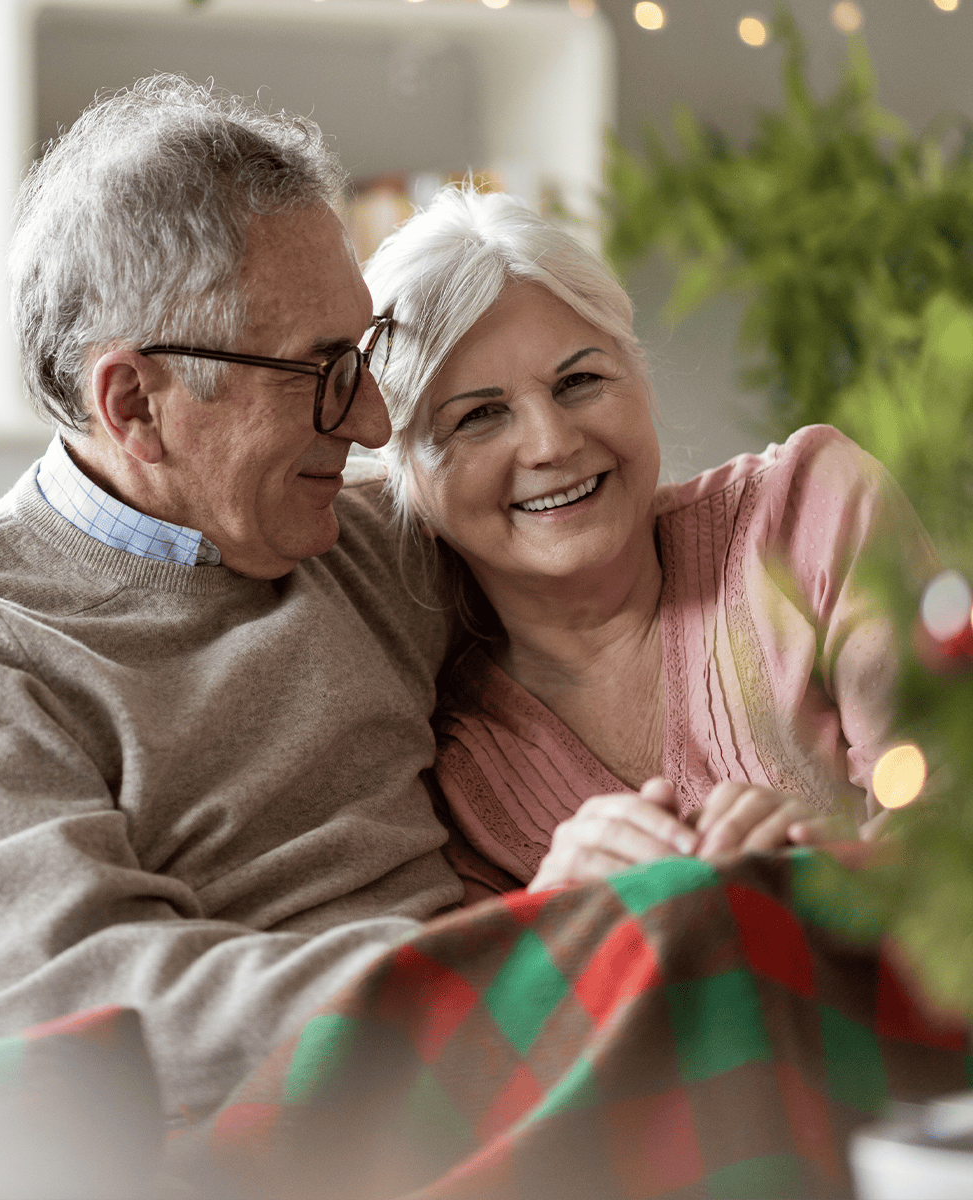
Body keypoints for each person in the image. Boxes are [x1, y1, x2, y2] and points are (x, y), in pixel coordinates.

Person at [0, 75, 464, 1128]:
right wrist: (503, 974)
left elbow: (646, 541)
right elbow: (116, 1021)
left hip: (463, 1081)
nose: (378, 423)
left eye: (367, 351)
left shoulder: (367, 546)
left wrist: (811, 490)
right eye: (324, 370)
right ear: (136, 406)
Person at [362, 186, 939, 902]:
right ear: (409, 489)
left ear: (640, 381)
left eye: (579, 381)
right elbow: (493, 1004)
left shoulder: (807, 514)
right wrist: (556, 911)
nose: (551, 442)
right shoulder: (450, 770)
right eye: (479, 416)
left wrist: (825, 877)